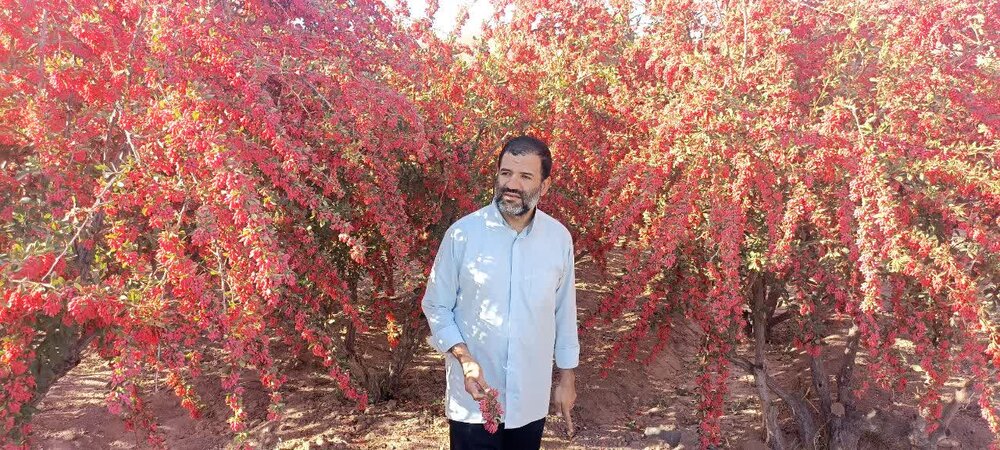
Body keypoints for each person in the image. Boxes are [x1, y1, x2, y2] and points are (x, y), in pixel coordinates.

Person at [421, 135, 580, 450]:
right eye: (506, 173)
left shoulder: (558, 239)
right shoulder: (463, 235)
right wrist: (464, 358)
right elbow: (436, 305)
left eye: (525, 176)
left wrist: (567, 378)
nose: (512, 184)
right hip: (474, 399)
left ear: (545, 186)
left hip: (530, 398)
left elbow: (564, 312)